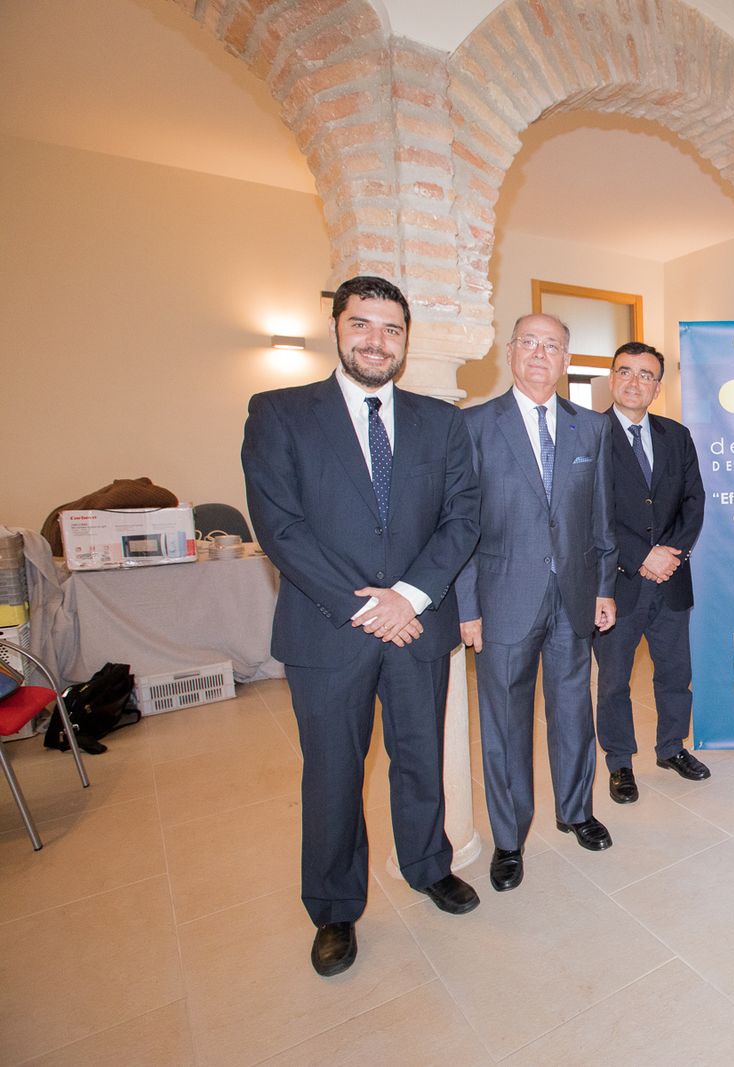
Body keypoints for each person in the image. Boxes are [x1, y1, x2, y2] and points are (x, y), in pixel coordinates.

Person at [242, 275, 482, 978]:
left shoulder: (442, 422)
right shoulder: (279, 413)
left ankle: (428, 865)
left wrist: (408, 596)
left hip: (417, 626)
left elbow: (461, 517)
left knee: (420, 758)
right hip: (328, 631)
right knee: (333, 775)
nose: (377, 341)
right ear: (337, 328)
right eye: (362, 325)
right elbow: (279, 527)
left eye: (392, 329)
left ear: (406, 340)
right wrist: (366, 606)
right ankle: (334, 909)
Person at [456, 313, 618, 886]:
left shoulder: (590, 430)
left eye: (553, 345)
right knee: (504, 720)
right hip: (503, 601)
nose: (540, 354)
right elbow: (462, 527)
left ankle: (577, 810)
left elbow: (600, 518)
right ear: (509, 351)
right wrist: (467, 608)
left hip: (574, 596)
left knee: (573, 709)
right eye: (529, 342)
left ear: (567, 358)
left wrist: (604, 588)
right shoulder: (474, 426)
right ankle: (509, 838)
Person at [593, 342, 711, 802]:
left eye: (646, 375)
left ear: (657, 386)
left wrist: (672, 552)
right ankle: (620, 761)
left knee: (674, 672)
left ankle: (671, 747)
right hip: (616, 583)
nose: (634, 382)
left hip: (671, 582)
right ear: (611, 378)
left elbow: (694, 502)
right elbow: (588, 512)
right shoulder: (589, 434)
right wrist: (643, 555)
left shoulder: (675, 436)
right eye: (626, 371)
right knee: (614, 680)